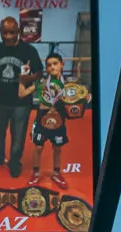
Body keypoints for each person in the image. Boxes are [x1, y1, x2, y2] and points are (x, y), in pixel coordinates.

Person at [0, 14, 41, 178]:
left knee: (18, 135)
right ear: (0, 32)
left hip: (21, 103)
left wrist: (28, 78)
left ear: (18, 32)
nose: (8, 36)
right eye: (5, 33)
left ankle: (14, 162)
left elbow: (39, 73)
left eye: (12, 32)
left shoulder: (29, 50)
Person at [29, 51, 71, 187]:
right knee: (38, 147)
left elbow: (75, 101)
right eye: (49, 65)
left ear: (62, 65)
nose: (52, 67)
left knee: (57, 148)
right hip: (42, 120)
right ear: (46, 68)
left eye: (55, 64)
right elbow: (26, 93)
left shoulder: (69, 85)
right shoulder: (42, 83)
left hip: (59, 121)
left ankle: (56, 173)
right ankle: (35, 173)